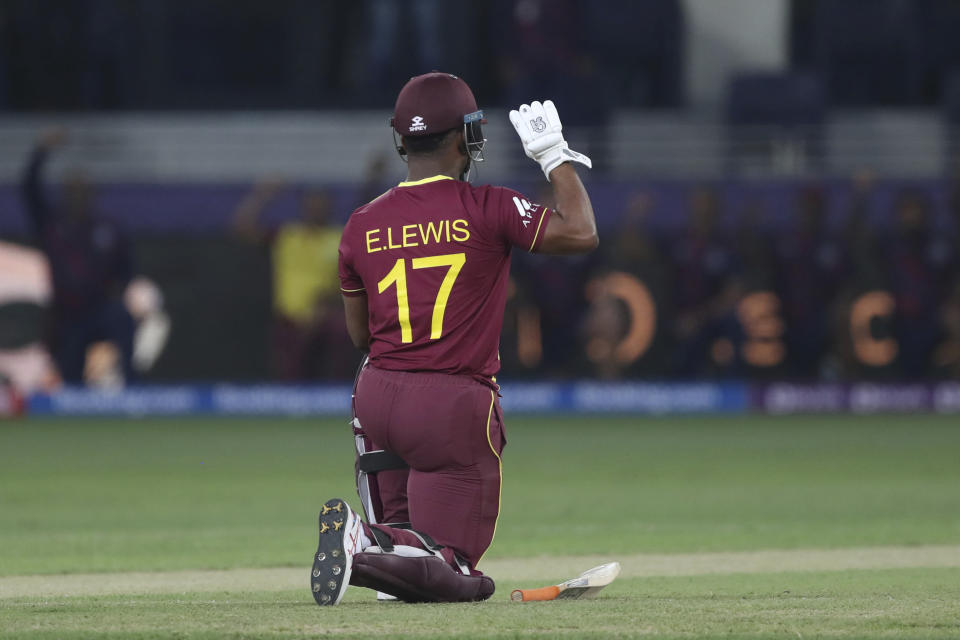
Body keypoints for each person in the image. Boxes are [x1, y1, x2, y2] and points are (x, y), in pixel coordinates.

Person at [312, 72, 597, 605]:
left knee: (412, 562)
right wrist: (554, 155)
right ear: (468, 137)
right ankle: (364, 541)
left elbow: (359, 334)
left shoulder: (360, 223)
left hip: (376, 394)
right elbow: (580, 232)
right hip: (450, 402)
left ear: (400, 139)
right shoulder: (489, 206)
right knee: (461, 570)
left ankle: (380, 554)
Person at [19, 127, 135, 385]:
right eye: (72, 188)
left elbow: (126, 268)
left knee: (121, 315)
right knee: (70, 372)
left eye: (83, 188)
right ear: (64, 193)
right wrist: (42, 151)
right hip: (68, 313)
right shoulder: (53, 226)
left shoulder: (107, 229)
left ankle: (132, 387)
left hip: (101, 307)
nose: (77, 194)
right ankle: (72, 395)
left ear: (92, 194)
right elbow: (29, 188)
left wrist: (119, 288)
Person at [231, 181, 352, 380]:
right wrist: (262, 196)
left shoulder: (339, 237)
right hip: (290, 322)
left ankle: (338, 393)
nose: (317, 209)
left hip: (326, 319)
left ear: (330, 206)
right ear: (304, 207)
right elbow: (241, 228)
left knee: (341, 331)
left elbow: (355, 282)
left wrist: (328, 303)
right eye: (312, 204)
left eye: (321, 204)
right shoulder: (287, 235)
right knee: (289, 376)